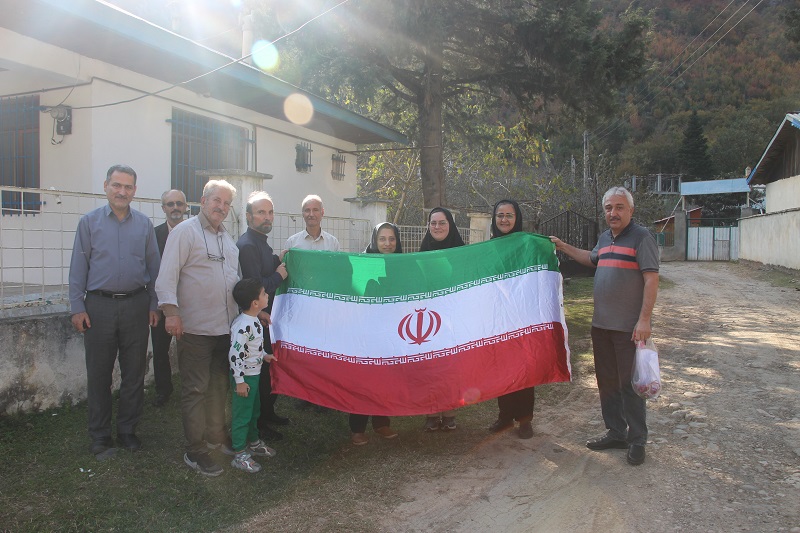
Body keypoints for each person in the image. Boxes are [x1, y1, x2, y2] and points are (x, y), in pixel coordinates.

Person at [550, 186, 659, 466]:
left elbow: (651, 279)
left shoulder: (642, 238)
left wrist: (644, 319)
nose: (613, 213)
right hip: (601, 326)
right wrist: (563, 246)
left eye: (619, 207)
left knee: (630, 385)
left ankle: (637, 439)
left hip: (628, 328)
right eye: (609, 208)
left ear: (631, 210)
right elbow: (591, 258)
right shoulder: (605, 237)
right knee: (607, 382)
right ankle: (616, 432)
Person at [69, 164, 161, 457]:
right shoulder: (89, 223)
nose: (122, 191)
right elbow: (78, 268)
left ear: (135, 190)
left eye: (128, 187)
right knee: (99, 373)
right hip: (99, 307)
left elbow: (154, 268)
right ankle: (100, 436)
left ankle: (127, 430)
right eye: (117, 185)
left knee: (134, 372)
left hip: (136, 305)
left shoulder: (144, 225)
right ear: (106, 186)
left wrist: (154, 304)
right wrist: (77, 307)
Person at [155, 179, 241, 476]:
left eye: (227, 203)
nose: (222, 207)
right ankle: (195, 450)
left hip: (224, 328)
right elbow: (166, 276)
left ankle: (216, 437)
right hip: (194, 329)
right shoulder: (184, 232)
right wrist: (171, 313)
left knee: (218, 387)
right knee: (195, 390)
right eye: (217, 200)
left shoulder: (227, 238)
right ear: (203, 201)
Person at [236, 191, 290, 442]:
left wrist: (278, 259)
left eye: (270, 212)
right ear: (248, 216)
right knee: (260, 372)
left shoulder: (261, 241)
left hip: (264, 317)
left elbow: (264, 268)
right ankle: (259, 423)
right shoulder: (248, 245)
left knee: (268, 370)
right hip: (255, 321)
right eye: (260, 212)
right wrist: (279, 275)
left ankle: (267, 414)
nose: (267, 217)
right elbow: (255, 286)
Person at [349, 223, 403, 445]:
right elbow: (355, 293)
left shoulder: (403, 264)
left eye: (392, 239)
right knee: (363, 379)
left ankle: (381, 423)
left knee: (385, 378)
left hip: (391, 331)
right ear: (374, 240)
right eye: (382, 239)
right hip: (365, 330)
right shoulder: (363, 263)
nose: (387, 244)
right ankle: (357, 428)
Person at [486, 200, 535, 440]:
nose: (504, 220)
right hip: (498, 317)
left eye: (509, 215)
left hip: (522, 315)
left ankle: (525, 419)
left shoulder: (526, 244)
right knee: (502, 368)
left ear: (517, 218)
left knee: (523, 368)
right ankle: (505, 416)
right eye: (500, 215)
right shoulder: (488, 248)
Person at [418, 207, 465, 431]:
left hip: (453, 317)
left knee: (450, 366)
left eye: (442, 222)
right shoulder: (421, 253)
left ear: (450, 225)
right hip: (428, 318)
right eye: (433, 223)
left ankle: (449, 413)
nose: (437, 227)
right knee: (429, 366)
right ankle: (431, 413)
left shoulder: (462, 253)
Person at [228, 278, 277, 473]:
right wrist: (239, 381)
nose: (267, 295)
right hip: (245, 378)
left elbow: (252, 346)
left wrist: (264, 355)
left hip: (254, 375)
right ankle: (239, 453)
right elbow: (235, 354)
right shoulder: (243, 325)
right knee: (242, 414)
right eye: (264, 293)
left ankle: (254, 442)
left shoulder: (254, 319)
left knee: (254, 410)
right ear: (255, 303)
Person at [149, 189, 188, 407]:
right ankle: (163, 391)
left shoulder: (194, 232)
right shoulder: (153, 235)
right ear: (163, 208)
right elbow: (149, 270)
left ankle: (190, 389)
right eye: (170, 204)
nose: (175, 208)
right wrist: (153, 305)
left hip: (189, 303)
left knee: (189, 350)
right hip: (161, 303)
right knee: (160, 349)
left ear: (186, 207)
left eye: (179, 204)